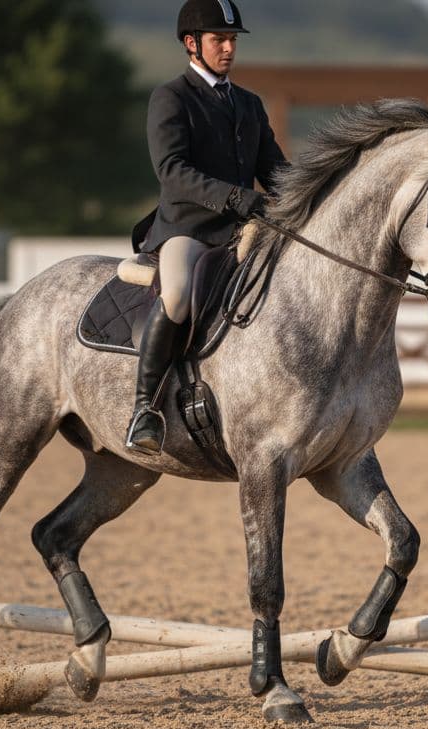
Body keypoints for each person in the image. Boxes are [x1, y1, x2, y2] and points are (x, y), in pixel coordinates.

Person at [125, 0, 288, 456]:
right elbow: (171, 169)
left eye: (233, 40)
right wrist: (236, 197)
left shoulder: (250, 105)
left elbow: (274, 170)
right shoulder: (171, 97)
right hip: (188, 230)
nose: (229, 48)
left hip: (242, 233)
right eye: (220, 39)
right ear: (192, 44)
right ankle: (145, 409)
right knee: (176, 295)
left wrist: (306, 195)